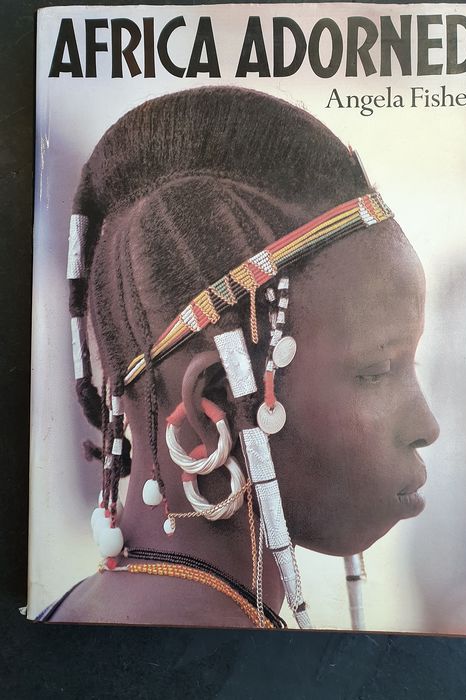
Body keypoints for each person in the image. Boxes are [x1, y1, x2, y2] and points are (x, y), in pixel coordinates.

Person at [44, 86, 439, 628]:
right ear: (216, 401)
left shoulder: (78, 614)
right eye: (375, 372)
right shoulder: (219, 653)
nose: (426, 427)